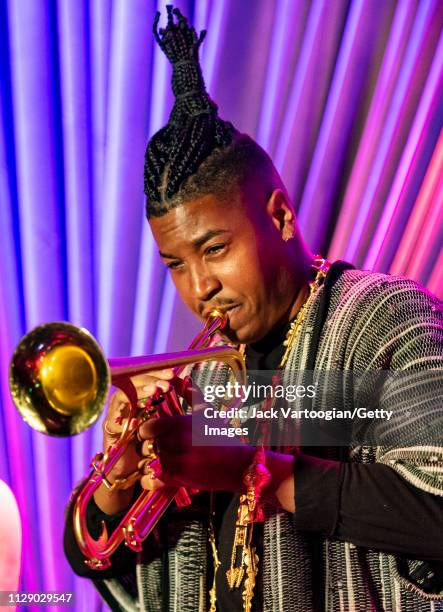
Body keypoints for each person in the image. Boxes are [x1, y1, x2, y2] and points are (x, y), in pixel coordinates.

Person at [65, 6, 443, 611]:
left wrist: (258, 469)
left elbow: (436, 505)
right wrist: (119, 481)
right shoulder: (204, 380)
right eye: (176, 264)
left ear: (280, 217)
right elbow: (91, 554)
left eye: (214, 250)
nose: (199, 287)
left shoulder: (388, 320)